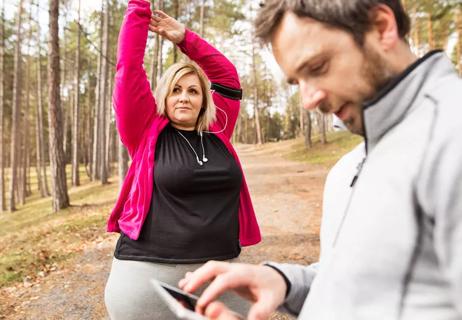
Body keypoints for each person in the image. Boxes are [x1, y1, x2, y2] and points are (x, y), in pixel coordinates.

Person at [178, 1, 462, 319]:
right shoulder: (358, 161)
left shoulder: (451, 138)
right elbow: (370, 287)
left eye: (317, 67)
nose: (309, 99)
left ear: (382, 27)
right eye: (297, 81)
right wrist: (288, 283)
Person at [104, 1, 261, 319]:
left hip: (219, 275)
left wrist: (184, 38)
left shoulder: (219, 130)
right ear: (164, 96)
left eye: (193, 90)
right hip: (147, 280)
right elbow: (129, 67)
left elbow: (227, 77)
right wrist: (138, 7)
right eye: (175, 90)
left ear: (204, 99)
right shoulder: (145, 131)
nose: (185, 96)